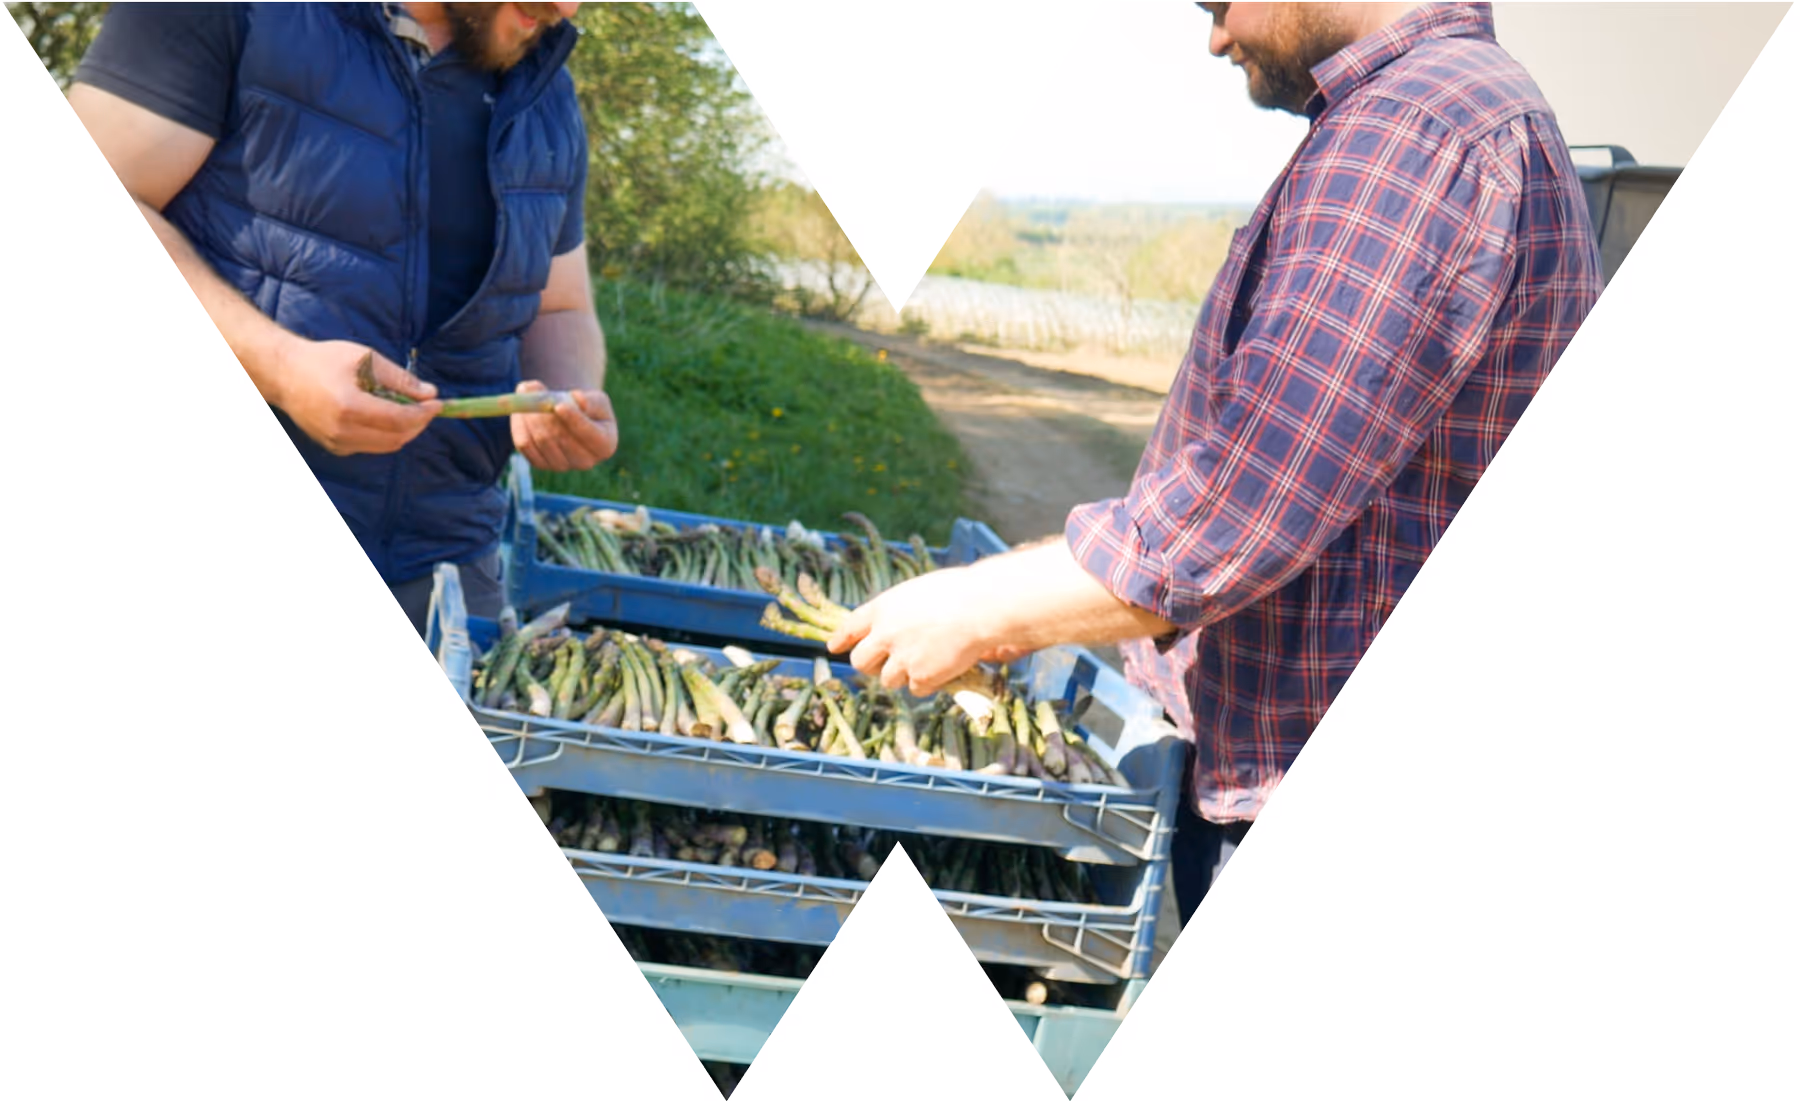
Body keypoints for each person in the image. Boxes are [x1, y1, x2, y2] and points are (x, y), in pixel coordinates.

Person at [828, 1, 1605, 925]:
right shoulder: (1429, 114)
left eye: (1217, 2)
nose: (1215, 38)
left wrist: (980, 609)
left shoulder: (1422, 131)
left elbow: (1237, 510)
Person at [65, 2, 617, 637]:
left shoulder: (546, 93)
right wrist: (279, 368)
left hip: (445, 581)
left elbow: (562, 306)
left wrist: (562, 396)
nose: (565, 7)